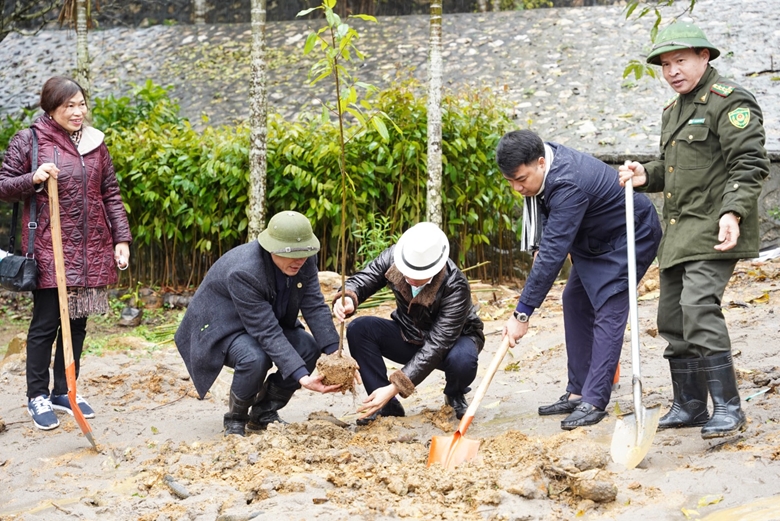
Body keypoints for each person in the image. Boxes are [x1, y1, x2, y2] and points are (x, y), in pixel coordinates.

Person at [618, 22, 769, 439]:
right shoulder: (674, 111)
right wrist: (643, 174)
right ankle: (689, 404)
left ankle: (729, 408)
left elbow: (750, 164)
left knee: (699, 306)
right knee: (672, 318)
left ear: (705, 56)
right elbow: (674, 171)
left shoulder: (730, 101)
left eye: (680, 60)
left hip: (715, 224)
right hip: (680, 232)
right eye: (665, 64)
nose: (672, 71)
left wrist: (733, 213)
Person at [496, 130, 662, 430]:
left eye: (521, 179)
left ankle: (595, 400)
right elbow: (548, 221)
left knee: (609, 307)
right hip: (594, 238)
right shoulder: (547, 166)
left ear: (541, 163)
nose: (517, 188)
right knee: (574, 300)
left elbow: (553, 254)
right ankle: (578, 391)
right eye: (510, 181)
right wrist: (539, 246)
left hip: (630, 233)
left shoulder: (568, 182)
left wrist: (522, 314)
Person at [0, 76, 132, 431]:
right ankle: (37, 396)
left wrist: (121, 238)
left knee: (78, 323)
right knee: (45, 325)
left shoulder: (95, 143)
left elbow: (111, 194)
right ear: (51, 109)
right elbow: (3, 186)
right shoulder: (29, 140)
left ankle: (64, 390)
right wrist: (34, 178)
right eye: (68, 106)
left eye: (81, 104)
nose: (78, 112)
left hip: (91, 249)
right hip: (50, 247)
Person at [175, 210, 354, 436]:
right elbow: (266, 331)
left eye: (305, 253)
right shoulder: (244, 271)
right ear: (272, 249)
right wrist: (303, 378)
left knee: (308, 349)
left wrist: (337, 354)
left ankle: (263, 412)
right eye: (292, 254)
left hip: (265, 320)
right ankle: (236, 419)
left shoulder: (304, 259)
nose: (300, 260)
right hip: (224, 327)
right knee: (254, 358)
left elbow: (314, 305)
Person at [332, 222, 484, 424]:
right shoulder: (394, 256)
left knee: (463, 360)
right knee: (360, 329)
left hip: (452, 343)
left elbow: (438, 345)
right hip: (409, 333)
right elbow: (363, 280)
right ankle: (386, 405)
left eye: (419, 276)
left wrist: (396, 385)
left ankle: (454, 394)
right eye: (407, 272)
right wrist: (348, 298)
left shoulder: (456, 285)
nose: (411, 278)